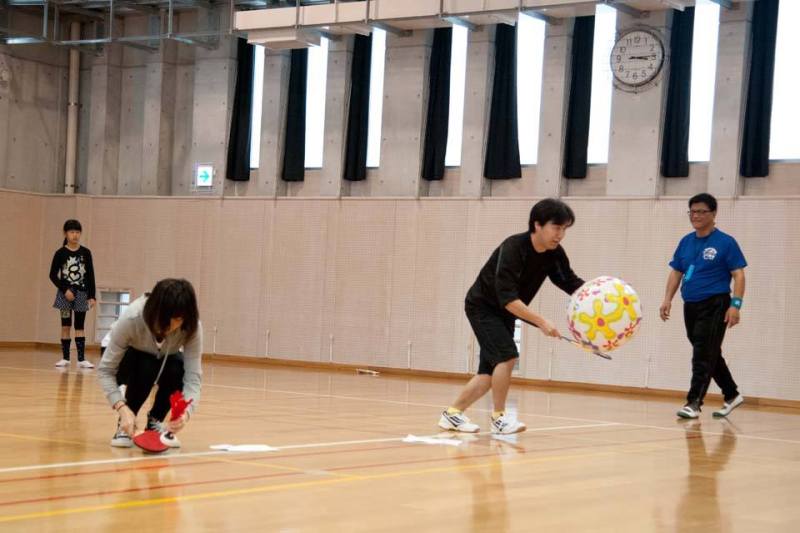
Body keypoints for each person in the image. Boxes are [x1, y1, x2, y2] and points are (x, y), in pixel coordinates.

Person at [438, 198, 585, 434]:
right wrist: (542, 322)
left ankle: (452, 415)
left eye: (565, 229)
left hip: (504, 311)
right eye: (556, 227)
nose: (561, 235)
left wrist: (599, 295)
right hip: (483, 306)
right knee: (507, 357)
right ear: (537, 225)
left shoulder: (554, 253)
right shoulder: (514, 248)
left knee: (488, 373)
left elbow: (569, 281)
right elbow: (507, 298)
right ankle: (499, 419)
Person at [660, 193, 746, 419]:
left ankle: (694, 402)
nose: (696, 216)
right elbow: (677, 271)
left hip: (716, 303)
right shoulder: (686, 241)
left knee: (702, 353)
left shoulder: (726, 242)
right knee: (707, 351)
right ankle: (732, 393)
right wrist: (667, 298)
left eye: (701, 212)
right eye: (692, 212)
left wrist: (735, 305)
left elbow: (738, 274)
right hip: (691, 304)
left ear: (713, 214)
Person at [97, 278, 202, 448]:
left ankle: (156, 423)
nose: (170, 325)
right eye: (166, 318)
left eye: (177, 319)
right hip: (126, 359)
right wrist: (121, 408)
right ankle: (125, 424)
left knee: (178, 367)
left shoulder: (192, 327)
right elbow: (105, 371)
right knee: (145, 364)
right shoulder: (132, 318)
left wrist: (185, 414)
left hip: (163, 360)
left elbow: (193, 377)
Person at [49, 219, 96, 368]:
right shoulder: (60, 253)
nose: (75, 235)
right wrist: (65, 290)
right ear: (65, 233)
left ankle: (81, 359)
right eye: (71, 232)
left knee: (80, 326)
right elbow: (52, 275)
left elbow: (90, 276)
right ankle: (65, 358)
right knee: (65, 325)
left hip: (82, 294)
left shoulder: (86, 252)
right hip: (65, 296)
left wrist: (92, 295)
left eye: (77, 232)